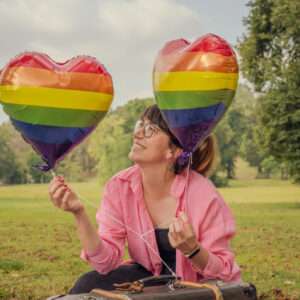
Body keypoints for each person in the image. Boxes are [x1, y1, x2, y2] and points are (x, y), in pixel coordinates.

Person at [48, 104, 241, 294]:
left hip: (197, 290)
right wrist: (79, 213)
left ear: (174, 151)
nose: (138, 133)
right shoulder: (119, 186)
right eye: (140, 124)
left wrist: (193, 250)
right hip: (151, 281)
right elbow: (105, 263)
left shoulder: (203, 194)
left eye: (151, 129)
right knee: (88, 284)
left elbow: (224, 274)